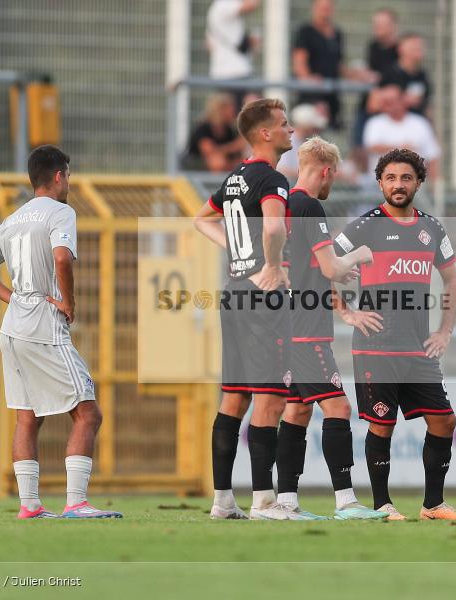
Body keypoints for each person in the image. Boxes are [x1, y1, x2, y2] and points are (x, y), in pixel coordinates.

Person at [0, 145, 122, 520]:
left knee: (27, 416)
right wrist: (68, 302)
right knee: (88, 412)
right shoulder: (61, 212)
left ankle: (30, 506)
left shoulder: (14, 218)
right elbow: (62, 257)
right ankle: (77, 502)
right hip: (43, 324)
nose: (68, 181)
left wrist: (12, 298)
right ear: (58, 176)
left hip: (15, 326)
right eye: (67, 175)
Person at [333, 148, 456, 521]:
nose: (398, 185)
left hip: (418, 347)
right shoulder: (364, 226)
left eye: (406, 178)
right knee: (383, 423)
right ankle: (383, 506)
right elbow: (324, 265)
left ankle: (433, 505)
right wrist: (346, 312)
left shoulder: (432, 227)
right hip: (376, 345)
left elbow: (452, 278)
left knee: (444, 421)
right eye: (391, 178)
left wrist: (444, 331)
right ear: (379, 182)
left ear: (418, 182)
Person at [273, 136, 387, 520]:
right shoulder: (310, 205)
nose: (332, 182)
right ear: (326, 170)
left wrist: (345, 312)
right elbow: (329, 269)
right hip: (306, 332)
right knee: (338, 407)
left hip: (283, 326)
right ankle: (347, 502)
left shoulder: (282, 204)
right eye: (333, 175)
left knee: (296, 412)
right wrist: (359, 254)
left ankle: (285, 502)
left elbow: (308, 272)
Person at [193, 99, 295, 520]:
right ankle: (264, 502)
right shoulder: (272, 178)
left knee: (234, 397)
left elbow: (202, 220)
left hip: (234, 292)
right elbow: (273, 226)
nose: (291, 130)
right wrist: (271, 265)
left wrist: (238, 255)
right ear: (266, 134)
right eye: (285, 124)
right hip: (262, 298)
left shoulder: (234, 178)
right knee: (271, 396)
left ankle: (222, 500)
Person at [292, 0, 374, 129]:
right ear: (314, 8)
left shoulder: (337, 34)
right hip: (311, 96)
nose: (325, 11)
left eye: (328, 7)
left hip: (332, 96)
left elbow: (338, 65)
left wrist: (356, 75)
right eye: (322, 7)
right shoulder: (306, 31)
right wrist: (308, 80)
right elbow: (299, 61)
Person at [350, 8, 400, 169]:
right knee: (359, 143)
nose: (378, 27)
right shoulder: (373, 46)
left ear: (393, 26)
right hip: (369, 106)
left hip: (387, 109)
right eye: (376, 24)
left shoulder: (398, 50)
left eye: (382, 24)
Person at [363, 85, 440, 185]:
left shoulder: (420, 123)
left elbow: (432, 155)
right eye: (386, 102)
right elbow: (372, 147)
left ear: (402, 100)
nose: (389, 105)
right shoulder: (375, 123)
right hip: (381, 185)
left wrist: (435, 184)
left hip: (414, 185)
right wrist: (402, 149)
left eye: (392, 101)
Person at [206, 0, 261, 109]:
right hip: (234, 74)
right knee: (244, 115)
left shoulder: (216, 9)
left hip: (226, 74)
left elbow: (209, 45)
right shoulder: (224, 5)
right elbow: (251, 5)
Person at [181, 93, 247, 172]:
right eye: (230, 109)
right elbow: (209, 151)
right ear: (220, 110)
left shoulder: (228, 129)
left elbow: (237, 154)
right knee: (217, 162)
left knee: (244, 163)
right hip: (196, 162)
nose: (234, 112)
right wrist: (234, 146)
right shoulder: (203, 128)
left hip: (222, 162)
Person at [377, 33, 432, 119]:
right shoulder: (390, 73)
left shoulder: (422, 75)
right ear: (401, 49)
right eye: (414, 46)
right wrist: (403, 100)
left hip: (416, 125)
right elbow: (374, 104)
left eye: (420, 47)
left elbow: (426, 106)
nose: (419, 49)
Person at [276, 103, 328, 180]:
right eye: (313, 126)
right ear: (305, 125)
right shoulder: (287, 140)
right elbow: (282, 170)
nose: (316, 129)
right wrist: (313, 174)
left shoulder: (308, 142)